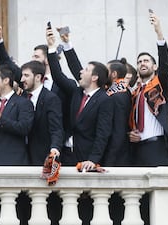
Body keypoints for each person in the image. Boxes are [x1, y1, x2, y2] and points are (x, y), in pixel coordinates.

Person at [0, 24, 75, 165]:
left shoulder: (61, 86)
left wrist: (55, 149)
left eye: (36, 56)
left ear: (47, 59)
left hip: (49, 151)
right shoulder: (26, 82)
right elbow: (7, 65)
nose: (32, 59)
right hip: (24, 153)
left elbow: (57, 127)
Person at [46, 27, 113, 170]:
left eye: (86, 70)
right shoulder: (77, 93)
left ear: (95, 77)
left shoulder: (104, 100)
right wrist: (54, 47)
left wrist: (93, 160)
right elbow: (58, 75)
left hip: (87, 159)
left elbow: (103, 133)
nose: (82, 71)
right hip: (67, 155)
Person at [128, 12, 168, 166]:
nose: (143, 63)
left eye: (146, 61)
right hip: (136, 148)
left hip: (157, 147)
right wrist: (129, 134)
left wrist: (159, 33)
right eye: (139, 61)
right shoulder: (134, 92)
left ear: (154, 67)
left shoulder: (160, 85)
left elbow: (166, 66)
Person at [0, 64, 34, 165]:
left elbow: (24, 128)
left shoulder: (23, 103)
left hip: (14, 162)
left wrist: (0, 119)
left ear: (6, 80)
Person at [20, 60, 63, 164]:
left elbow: (56, 128)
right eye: (22, 75)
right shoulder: (22, 97)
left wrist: (55, 148)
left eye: (26, 75)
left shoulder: (50, 98)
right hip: (22, 155)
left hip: (41, 155)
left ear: (38, 77)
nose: (22, 79)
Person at [103, 59, 132, 166]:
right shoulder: (117, 91)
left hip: (116, 157)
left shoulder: (118, 95)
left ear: (114, 74)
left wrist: (110, 158)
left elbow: (118, 130)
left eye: (106, 71)